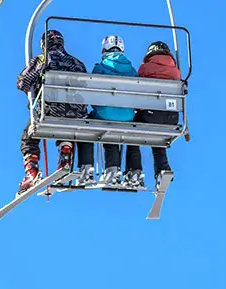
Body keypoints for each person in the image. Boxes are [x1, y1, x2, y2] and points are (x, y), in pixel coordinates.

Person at [16, 29, 88, 195]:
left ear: (44, 45)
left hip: (49, 110)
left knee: (29, 136)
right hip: (73, 113)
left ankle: (32, 172)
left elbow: (22, 82)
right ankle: (65, 157)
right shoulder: (77, 63)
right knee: (67, 124)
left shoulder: (43, 59)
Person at [125, 41, 181, 189]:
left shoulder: (145, 69)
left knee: (131, 133)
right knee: (158, 138)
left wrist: (137, 109)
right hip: (171, 118)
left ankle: (134, 170)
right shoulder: (176, 72)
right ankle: (163, 169)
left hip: (149, 114)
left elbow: (139, 92)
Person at [87, 35, 139, 187]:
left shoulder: (100, 67)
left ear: (104, 50)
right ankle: (133, 171)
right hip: (128, 116)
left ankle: (111, 169)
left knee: (103, 125)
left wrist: (97, 107)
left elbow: (90, 92)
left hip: (105, 114)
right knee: (130, 131)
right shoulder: (132, 70)